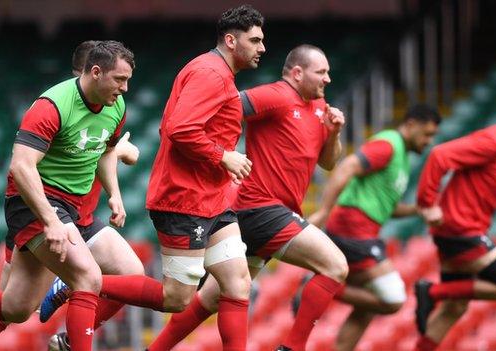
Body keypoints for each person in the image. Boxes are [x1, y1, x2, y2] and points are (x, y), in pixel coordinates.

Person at [54, 5, 263, 350]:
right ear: (230, 40)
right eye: (254, 40)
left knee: (238, 282)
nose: (261, 47)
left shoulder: (218, 73)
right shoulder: (210, 73)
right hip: (186, 200)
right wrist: (223, 156)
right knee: (176, 298)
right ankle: (84, 282)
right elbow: (179, 127)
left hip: (213, 198)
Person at [0, 40, 135, 351]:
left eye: (128, 80)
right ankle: (70, 340)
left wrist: (115, 194)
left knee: (16, 307)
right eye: (120, 80)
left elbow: (106, 151)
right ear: (95, 72)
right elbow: (21, 166)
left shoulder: (116, 107)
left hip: (75, 210)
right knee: (88, 276)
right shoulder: (52, 105)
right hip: (35, 204)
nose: (125, 89)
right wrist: (51, 221)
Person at [146, 44, 349, 351]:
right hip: (262, 208)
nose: (327, 79)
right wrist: (221, 155)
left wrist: (333, 132)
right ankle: (293, 347)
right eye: (321, 72)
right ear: (297, 73)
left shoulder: (320, 108)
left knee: (214, 297)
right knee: (336, 266)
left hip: (263, 214)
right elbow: (227, 108)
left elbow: (329, 163)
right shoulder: (276, 96)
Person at [305, 104, 441, 351]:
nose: (429, 141)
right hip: (352, 228)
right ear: (411, 125)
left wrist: (418, 210)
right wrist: (324, 210)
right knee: (393, 298)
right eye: (427, 134)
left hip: (364, 230)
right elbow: (347, 167)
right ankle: (318, 285)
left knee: (368, 306)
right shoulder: (388, 144)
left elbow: (389, 207)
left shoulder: (403, 160)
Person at [413, 104, 496, 351]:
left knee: (455, 308)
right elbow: (439, 155)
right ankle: (431, 292)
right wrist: (426, 204)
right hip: (460, 229)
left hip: (463, 230)